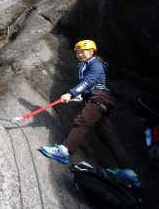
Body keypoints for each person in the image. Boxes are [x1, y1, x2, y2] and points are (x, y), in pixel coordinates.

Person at [40, 40, 141, 187]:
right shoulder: (87, 64)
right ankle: (129, 173)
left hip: (99, 99)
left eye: (83, 51)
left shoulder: (95, 64)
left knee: (82, 122)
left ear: (91, 51)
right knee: (108, 137)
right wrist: (77, 96)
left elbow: (88, 81)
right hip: (99, 100)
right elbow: (89, 87)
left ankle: (64, 151)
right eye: (77, 52)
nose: (80, 54)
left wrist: (70, 93)